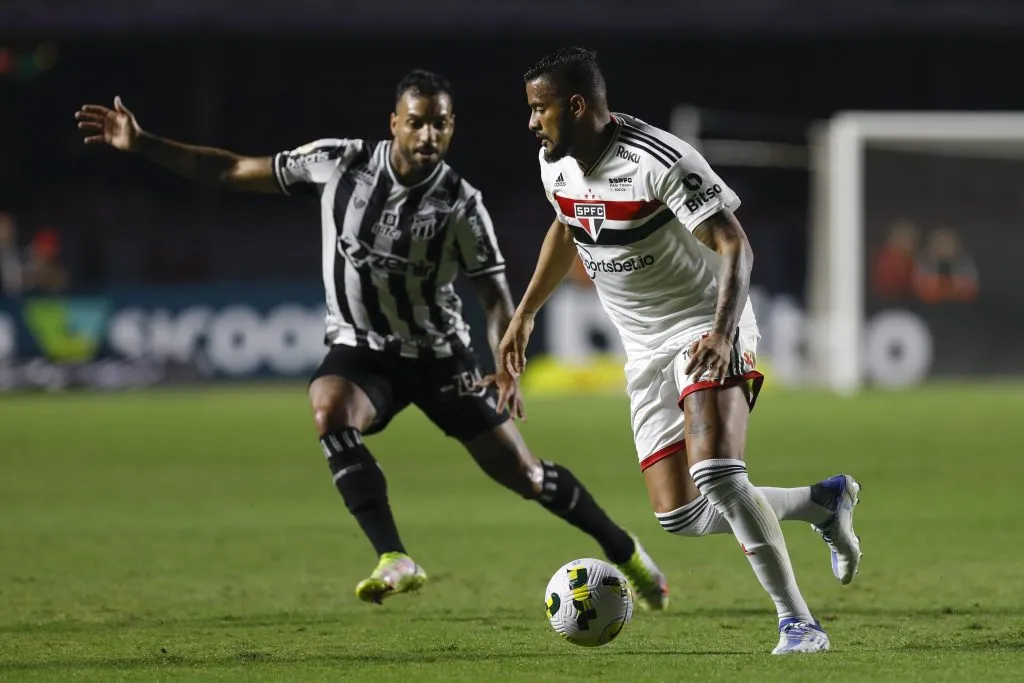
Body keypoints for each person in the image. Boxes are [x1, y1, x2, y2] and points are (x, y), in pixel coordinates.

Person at [74, 70, 669, 608]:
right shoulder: (336, 163)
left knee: (526, 476)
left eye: (439, 123)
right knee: (330, 408)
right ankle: (395, 557)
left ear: (452, 127)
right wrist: (143, 144)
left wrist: (505, 365)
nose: (428, 135)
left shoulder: (462, 206)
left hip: (440, 358)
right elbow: (229, 169)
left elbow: (494, 297)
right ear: (394, 123)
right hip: (362, 351)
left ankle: (624, 551)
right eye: (416, 122)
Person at [488, 47, 862, 654]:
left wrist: (721, 331)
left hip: (707, 324)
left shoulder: (659, 160)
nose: (531, 122)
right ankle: (823, 501)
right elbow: (565, 224)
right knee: (681, 514)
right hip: (644, 351)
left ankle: (800, 624)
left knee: (718, 471)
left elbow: (734, 244)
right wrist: (526, 313)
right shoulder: (553, 163)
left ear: (577, 105)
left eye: (540, 109)